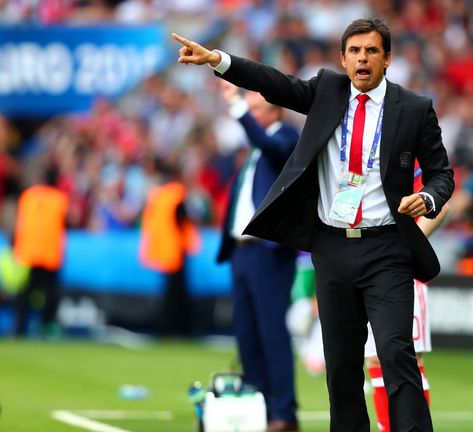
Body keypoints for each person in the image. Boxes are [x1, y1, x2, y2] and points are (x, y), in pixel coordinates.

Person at [173, 16, 454, 432]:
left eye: (372, 50)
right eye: (355, 51)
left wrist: (428, 198)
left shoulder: (413, 109)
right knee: (341, 366)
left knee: (396, 354)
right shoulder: (326, 90)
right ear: (342, 58)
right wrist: (218, 59)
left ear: (388, 58)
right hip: (332, 248)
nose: (363, 58)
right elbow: (274, 82)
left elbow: (442, 174)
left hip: (387, 249)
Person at [215, 81, 300, 431]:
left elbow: (268, 145)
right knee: (247, 333)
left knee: (271, 333)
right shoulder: (255, 150)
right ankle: (257, 405)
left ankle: (284, 411)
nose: (250, 114)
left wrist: (236, 105)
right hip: (243, 252)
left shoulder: (286, 138)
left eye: (255, 108)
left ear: (274, 109)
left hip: (269, 253)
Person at [364, 161, 448, 432]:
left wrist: (410, 244)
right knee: (375, 359)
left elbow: (440, 204)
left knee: (408, 358)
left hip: (401, 271)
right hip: (367, 268)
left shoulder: (402, 154)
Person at [139, 165, 200, 337]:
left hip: (163, 249)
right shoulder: (177, 194)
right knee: (177, 293)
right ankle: (178, 329)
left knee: (169, 293)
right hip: (177, 248)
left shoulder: (157, 196)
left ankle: (166, 329)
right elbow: (183, 217)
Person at [12, 170, 68, 338]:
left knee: (25, 292)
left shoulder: (28, 196)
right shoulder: (60, 199)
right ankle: (46, 327)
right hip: (49, 253)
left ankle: (20, 327)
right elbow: (68, 221)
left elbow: (19, 222)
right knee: (49, 293)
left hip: (28, 252)